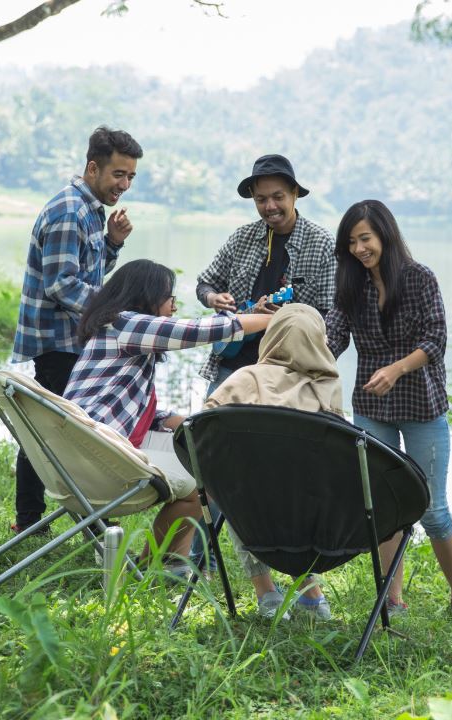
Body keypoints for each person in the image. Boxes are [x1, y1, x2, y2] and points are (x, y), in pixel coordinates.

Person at [325, 200, 452, 625]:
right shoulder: (350, 287)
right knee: (385, 505)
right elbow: (332, 338)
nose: (359, 249)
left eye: (365, 239)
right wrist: (296, 347)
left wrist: (395, 369)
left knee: (432, 507)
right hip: (372, 406)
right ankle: (391, 601)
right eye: (351, 242)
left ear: (385, 236)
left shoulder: (418, 278)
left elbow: (435, 341)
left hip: (421, 405)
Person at [65, 259, 274, 570]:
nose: (173, 304)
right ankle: (159, 564)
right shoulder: (126, 323)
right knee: (202, 480)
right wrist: (275, 320)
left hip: (78, 450)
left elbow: (120, 403)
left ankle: (169, 562)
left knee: (204, 456)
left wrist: (171, 420)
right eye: (169, 296)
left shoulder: (114, 328)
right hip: (95, 456)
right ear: (146, 296)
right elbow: (199, 331)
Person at [190, 154, 335, 570]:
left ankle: (279, 564)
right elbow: (205, 282)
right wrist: (213, 298)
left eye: (277, 197)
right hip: (232, 364)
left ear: (294, 194)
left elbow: (329, 314)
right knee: (212, 459)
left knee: (272, 470)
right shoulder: (242, 238)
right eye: (260, 200)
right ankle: (203, 557)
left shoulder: (321, 243)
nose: (269, 207)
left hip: (286, 376)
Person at [9, 126, 141, 534]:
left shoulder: (90, 210)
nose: (124, 185)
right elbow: (61, 285)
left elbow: (89, 276)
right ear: (92, 167)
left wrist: (113, 244)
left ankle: (38, 521)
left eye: (131, 176)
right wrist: (112, 313)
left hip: (72, 338)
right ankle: (49, 522)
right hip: (57, 341)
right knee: (57, 433)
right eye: (118, 174)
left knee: (53, 429)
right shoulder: (70, 210)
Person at [204, 304, 344, 620]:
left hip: (251, 515)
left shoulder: (245, 378)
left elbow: (203, 434)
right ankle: (312, 595)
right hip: (314, 521)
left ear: (273, 336)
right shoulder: (327, 387)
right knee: (290, 496)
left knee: (238, 486)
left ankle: (265, 592)